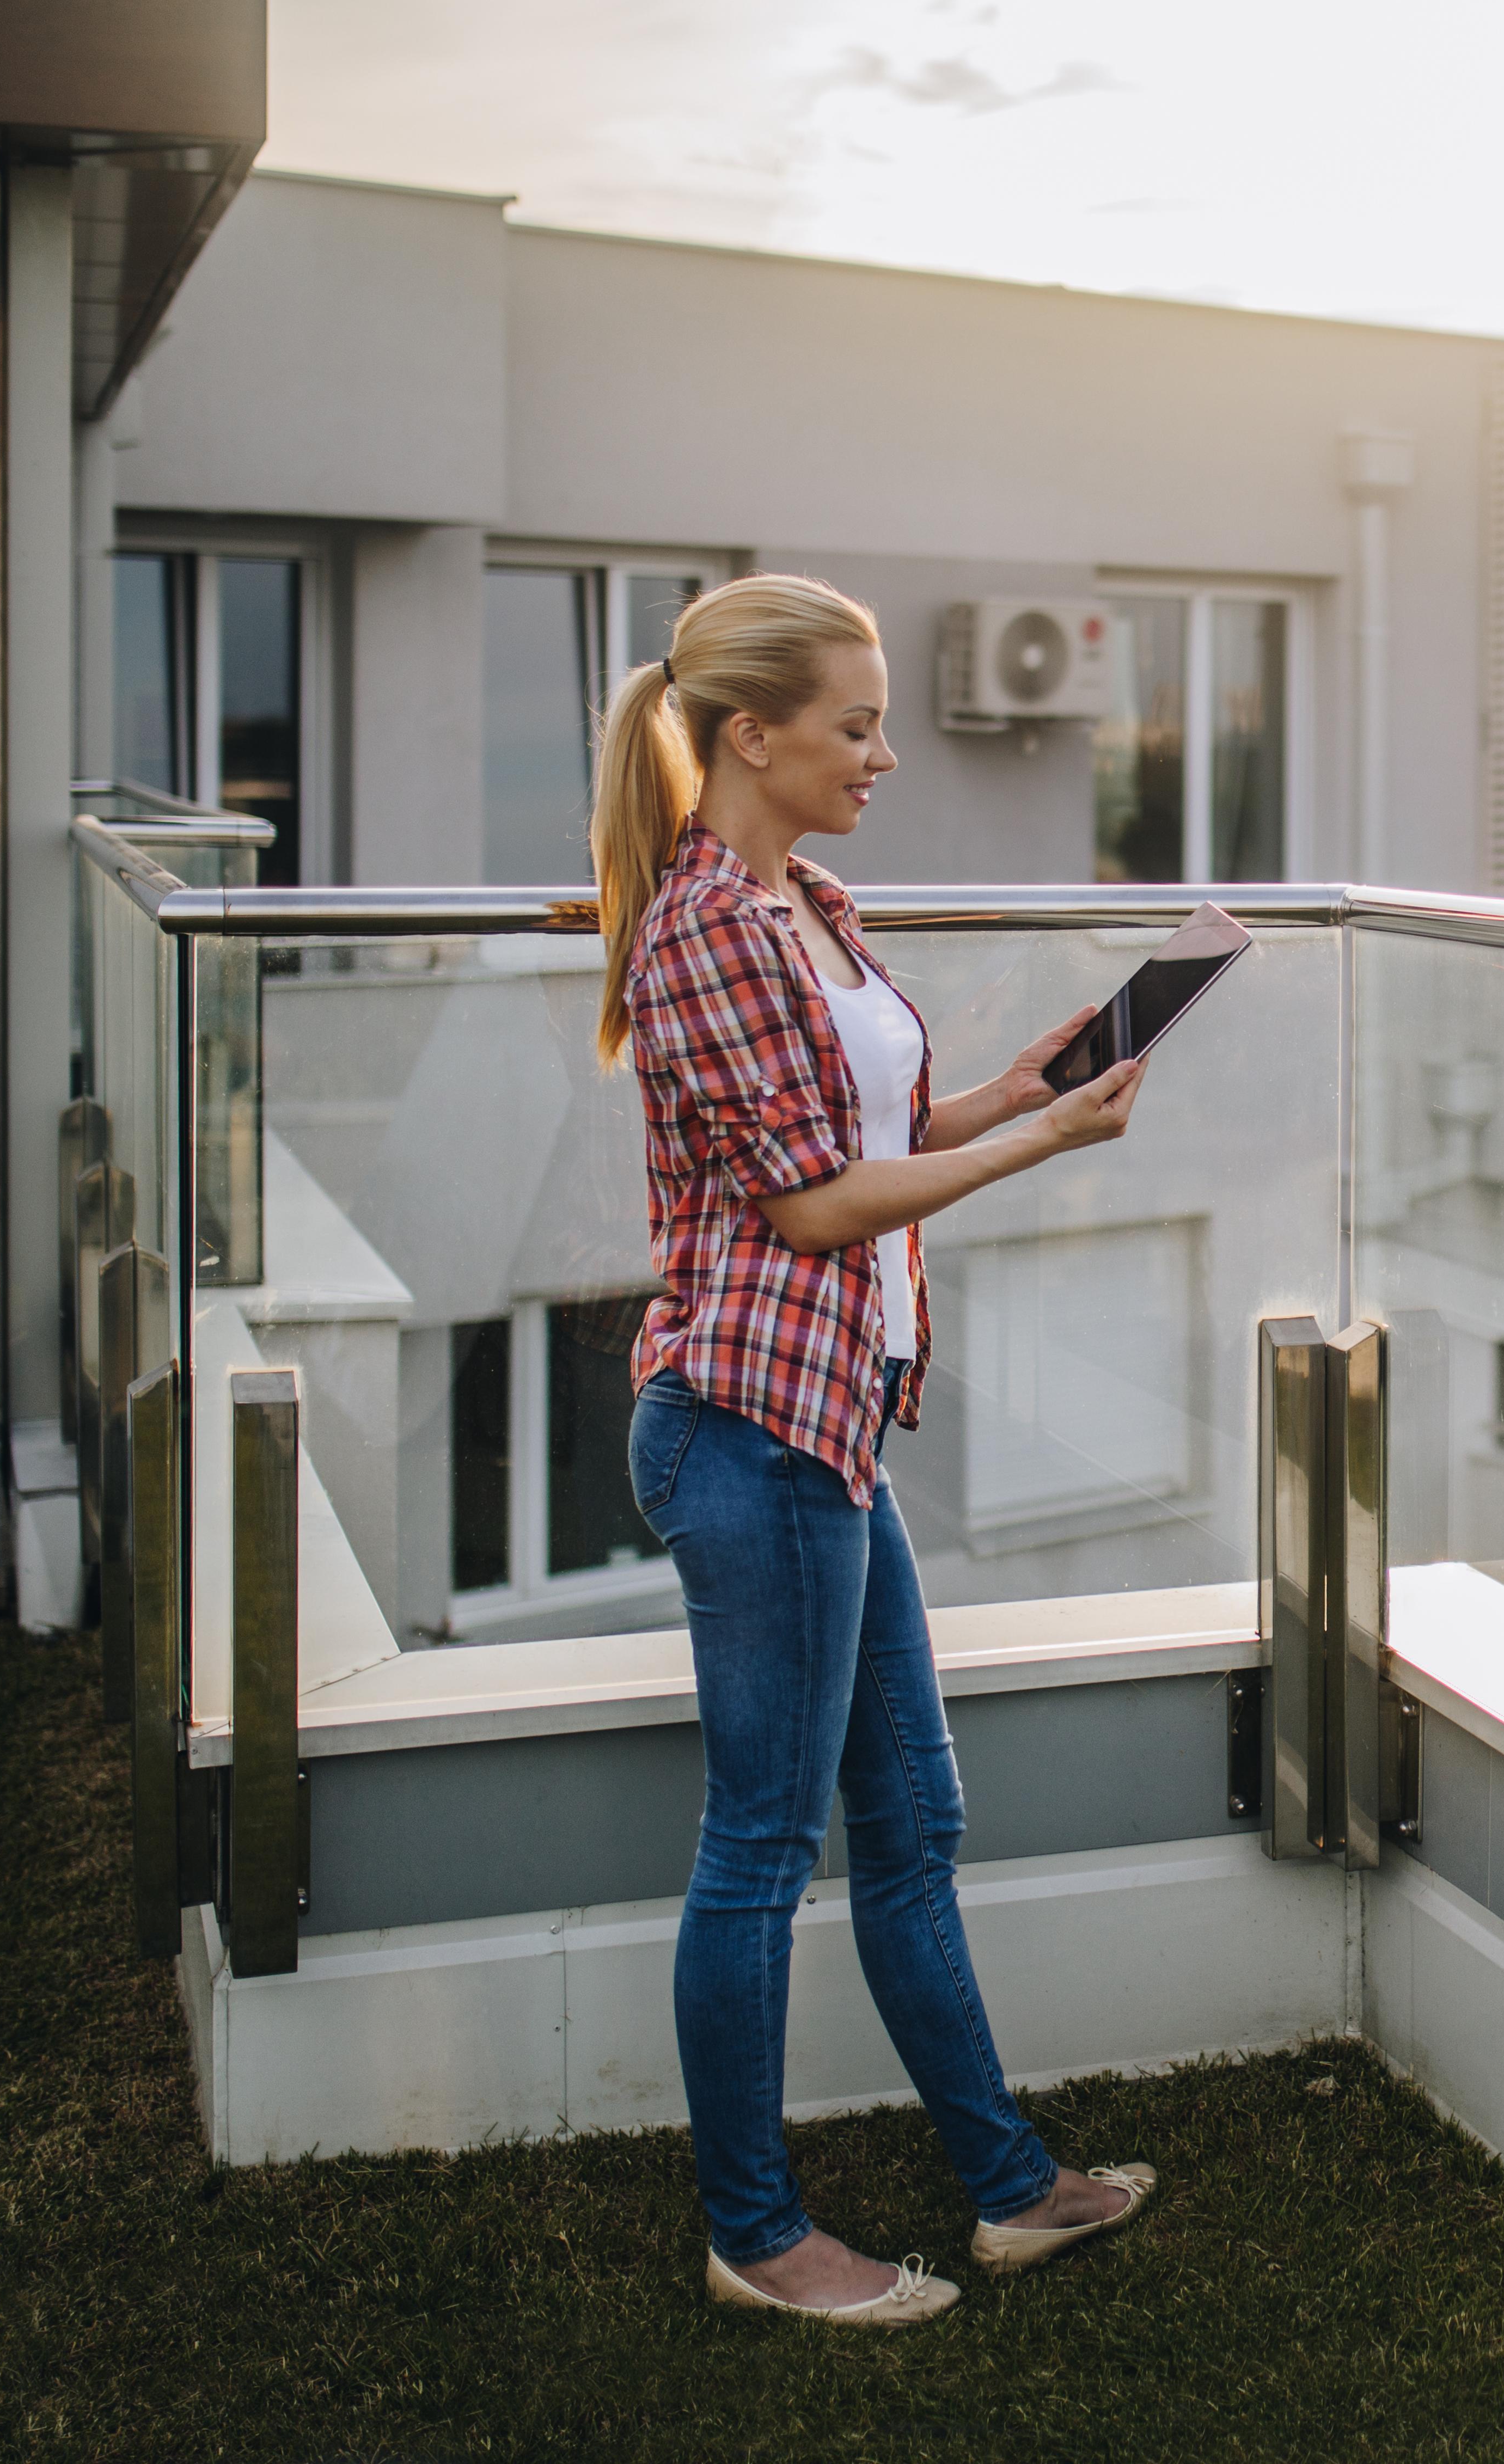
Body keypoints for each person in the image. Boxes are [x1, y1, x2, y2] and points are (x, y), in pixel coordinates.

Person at [590, 572, 1157, 2327]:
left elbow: (883, 1124)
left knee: (911, 1816)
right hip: (744, 1434)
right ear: (750, 735)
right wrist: (1042, 1149)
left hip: (827, 1431)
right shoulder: (705, 932)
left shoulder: (811, 900)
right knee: (766, 1845)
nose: (884, 756)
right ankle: (755, 2234)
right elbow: (819, 1205)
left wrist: (1028, 1085)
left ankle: (1010, 2191)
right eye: (854, 725)